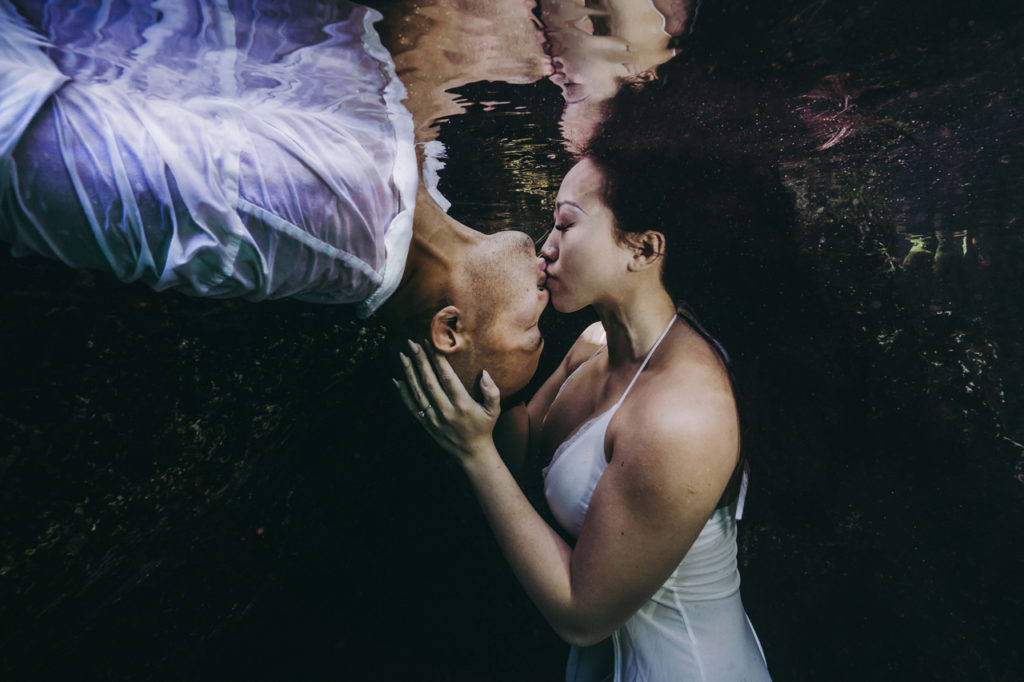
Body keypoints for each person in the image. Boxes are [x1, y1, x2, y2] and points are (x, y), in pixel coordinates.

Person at [393, 54, 810, 681]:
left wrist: (471, 453)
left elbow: (582, 615)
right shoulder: (594, 342)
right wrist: (495, 356)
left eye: (565, 223)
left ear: (644, 249)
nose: (547, 244)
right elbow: (526, 446)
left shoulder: (683, 418)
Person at [0, 0, 548, 395]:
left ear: (449, 329)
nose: (549, 305)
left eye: (532, 335)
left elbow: (40, 155)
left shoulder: (312, 236)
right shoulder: (413, 176)